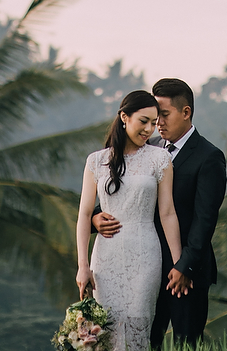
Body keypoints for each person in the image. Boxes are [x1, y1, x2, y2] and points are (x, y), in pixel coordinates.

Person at [94, 78, 227, 349]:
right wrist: (97, 215)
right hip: (143, 265)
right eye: (154, 117)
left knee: (185, 343)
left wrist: (184, 266)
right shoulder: (146, 146)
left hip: (185, 272)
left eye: (164, 115)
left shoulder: (208, 156)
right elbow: (118, 188)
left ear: (186, 112)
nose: (157, 124)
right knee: (142, 341)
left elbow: (205, 219)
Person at [77, 90, 183, 351]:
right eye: (143, 121)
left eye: (154, 122)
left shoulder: (160, 159)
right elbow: (83, 214)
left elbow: (167, 213)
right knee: (106, 329)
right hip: (105, 257)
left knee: (138, 326)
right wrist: (82, 265)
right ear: (124, 117)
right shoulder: (96, 161)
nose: (149, 129)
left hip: (145, 256)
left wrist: (179, 261)